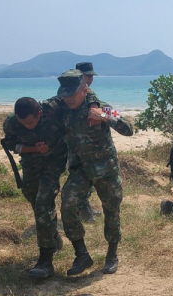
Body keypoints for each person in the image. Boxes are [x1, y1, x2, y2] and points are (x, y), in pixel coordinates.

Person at [57, 69, 133, 275]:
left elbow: (128, 127)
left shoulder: (103, 108)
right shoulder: (63, 109)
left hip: (105, 169)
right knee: (67, 205)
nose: (68, 98)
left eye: (72, 93)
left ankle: (112, 254)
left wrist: (105, 118)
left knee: (111, 211)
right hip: (81, 170)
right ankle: (82, 254)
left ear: (85, 90)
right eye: (65, 94)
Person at [2, 97, 67, 279]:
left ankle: (45, 260)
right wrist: (33, 149)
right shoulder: (12, 123)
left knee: (43, 205)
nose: (27, 126)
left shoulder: (53, 110)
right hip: (31, 165)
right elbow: (10, 144)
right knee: (34, 199)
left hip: (54, 164)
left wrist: (101, 111)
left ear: (39, 113)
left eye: (30, 122)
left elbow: (79, 100)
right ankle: (52, 237)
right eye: (23, 123)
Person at [74, 62, 101, 222]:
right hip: (77, 144)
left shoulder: (88, 92)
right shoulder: (73, 92)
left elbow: (99, 108)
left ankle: (85, 209)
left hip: (88, 143)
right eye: (87, 75)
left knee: (89, 180)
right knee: (81, 179)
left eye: (91, 75)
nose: (90, 78)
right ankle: (82, 211)